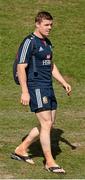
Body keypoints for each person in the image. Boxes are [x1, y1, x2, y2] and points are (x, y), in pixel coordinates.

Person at [11, 11, 71, 173]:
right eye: (46, 24)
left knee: (48, 123)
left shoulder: (47, 43)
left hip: (48, 86)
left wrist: (63, 82)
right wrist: (24, 91)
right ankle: (50, 162)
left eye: (51, 24)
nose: (50, 27)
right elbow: (21, 66)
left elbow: (51, 65)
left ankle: (21, 149)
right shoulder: (29, 42)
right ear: (37, 24)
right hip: (35, 86)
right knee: (46, 123)